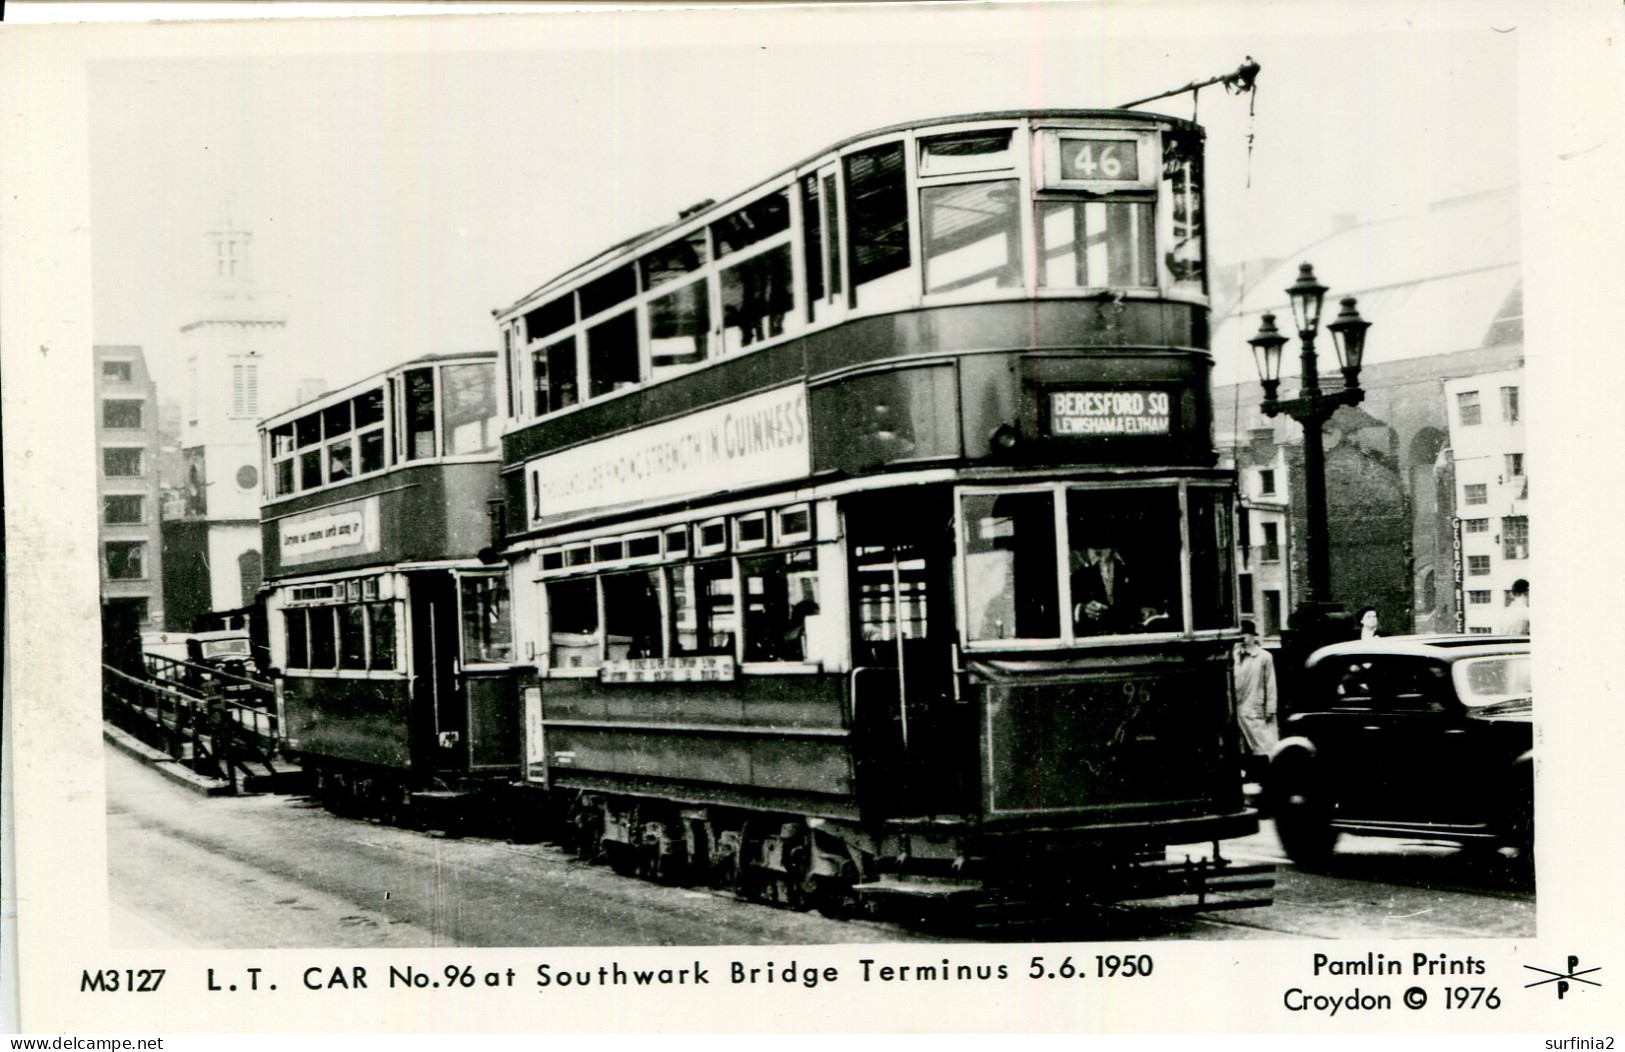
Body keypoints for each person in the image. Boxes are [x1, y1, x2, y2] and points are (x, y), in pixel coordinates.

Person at [1233, 619, 1278, 784]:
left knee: (1261, 743)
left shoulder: (1264, 657)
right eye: (1240, 635)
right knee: (1242, 742)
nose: (1243, 638)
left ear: (1253, 636)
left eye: (1246, 634)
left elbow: (1270, 683)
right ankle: (1248, 774)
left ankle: (1264, 775)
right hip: (1240, 706)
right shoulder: (1234, 657)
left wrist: (1270, 708)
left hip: (1256, 705)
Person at [1072, 546, 1137, 634]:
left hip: (1129, 635)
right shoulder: (1075, 560)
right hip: (1091, 637)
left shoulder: (1127, 563)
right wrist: (1082, 610)